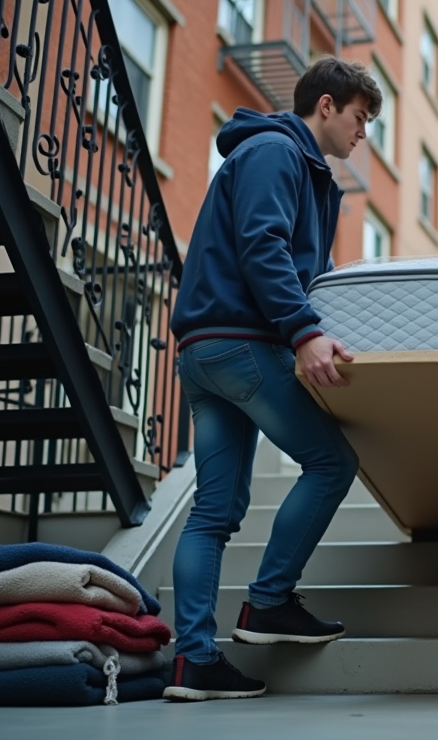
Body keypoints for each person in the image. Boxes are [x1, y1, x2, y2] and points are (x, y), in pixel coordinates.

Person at [163, 57, 381, 702]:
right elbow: (263, 244)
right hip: (243, 344)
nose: (363, 132)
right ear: (325, 106)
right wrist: (304, 331)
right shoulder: (275, 152)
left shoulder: (295, 167)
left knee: (214, 510)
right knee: (330, 462)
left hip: (207, 351)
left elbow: (294, 257)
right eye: (360, 117)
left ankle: (194, 662)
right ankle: (268, 602)